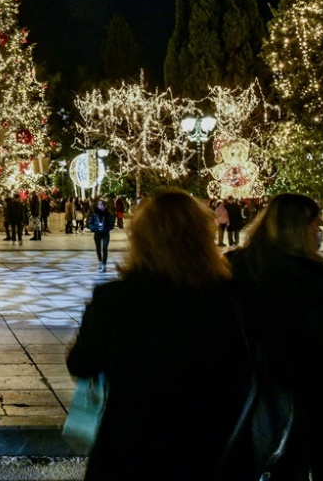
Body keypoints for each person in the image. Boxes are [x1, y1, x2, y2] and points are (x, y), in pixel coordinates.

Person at [67, 189, 251, 480]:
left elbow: (82, 363)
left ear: (140, 239)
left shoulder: (116, 299)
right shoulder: (231, 299)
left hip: (133, 446)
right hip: (210, 444)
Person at [228, 194, 323, 481]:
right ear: (300, 228)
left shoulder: (234, 268)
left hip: (251, 400)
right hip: (312, 400)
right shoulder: (316, 281)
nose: (319, 232)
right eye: (315, 225)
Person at [86, 197, 115, 272]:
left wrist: (108, 228)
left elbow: (111, 221)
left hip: (105, 233)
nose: (100, 205)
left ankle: (104, 264)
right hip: (97, 233)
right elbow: (89, 222)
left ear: (104, 205)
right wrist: (94, 228)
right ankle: (100, 261)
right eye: (99, 204)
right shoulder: (94, 213)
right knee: (98, 249)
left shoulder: (107, 213)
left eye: (101, 204)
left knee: (105, 248)